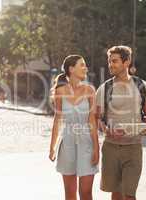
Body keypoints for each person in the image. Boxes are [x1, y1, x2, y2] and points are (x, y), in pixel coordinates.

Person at [96, 46, 146, 200]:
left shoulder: (142, 86)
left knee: (129, 194)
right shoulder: (104, 88)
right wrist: (106, 129)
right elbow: (98, 118)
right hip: (111, 148)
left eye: (114, 61)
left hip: (134, 147)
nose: (110, 65)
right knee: (116, 193)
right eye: (109, 61)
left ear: (126, 62)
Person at [49, 55, 99, 200]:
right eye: (82, 65)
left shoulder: (90, 90)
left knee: (86, 192)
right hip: (68, 143)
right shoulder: (60, 91)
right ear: (71, 69)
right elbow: (57, 119)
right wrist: (52, 147)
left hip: (86, 143)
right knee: (70, 194)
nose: (86, 68)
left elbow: (92, 120)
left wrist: (96, 147)